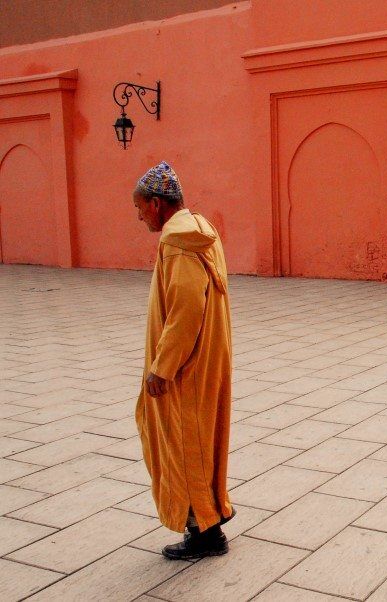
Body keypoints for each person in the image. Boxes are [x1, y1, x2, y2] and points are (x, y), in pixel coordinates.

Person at [132, 160, 234, 560]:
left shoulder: (178, 244)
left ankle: (205, 535)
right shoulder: (200, 230)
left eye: (140, 207)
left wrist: (162, 367)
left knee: (183, 442)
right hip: (207, 358)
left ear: (157, 204)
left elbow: (187, 310)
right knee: (202, 437)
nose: (139, 216)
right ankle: (212, 513)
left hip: (185, 367)